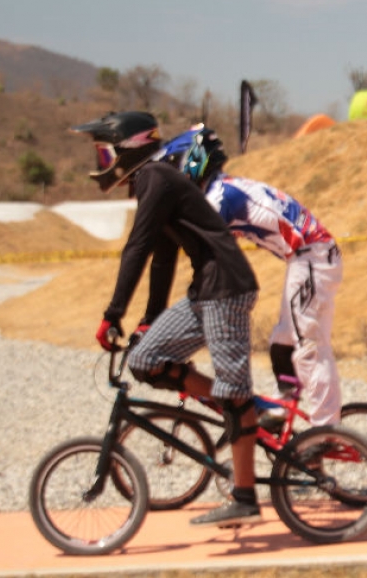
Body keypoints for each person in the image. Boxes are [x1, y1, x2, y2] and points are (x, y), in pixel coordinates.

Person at [72, 111, 263, 528]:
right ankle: (243, 409)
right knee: (146, 359)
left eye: (107, 151)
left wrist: (112, 314)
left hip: (226, 287)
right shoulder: (155, 181)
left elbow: (137, 248)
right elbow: (161, 256)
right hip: (205, 291)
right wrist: (147, 321)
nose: (104, 161)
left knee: (234, 395)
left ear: (129, 147)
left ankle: (245, 493)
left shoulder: (155, 178)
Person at [155, 125, 344, 429]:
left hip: (312, 256)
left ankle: (326, 430)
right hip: (306, 257)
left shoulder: (221, 196)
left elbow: (204, 249)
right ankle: (284, 411)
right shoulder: (226, 188)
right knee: (282, 344)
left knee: (309, 346)